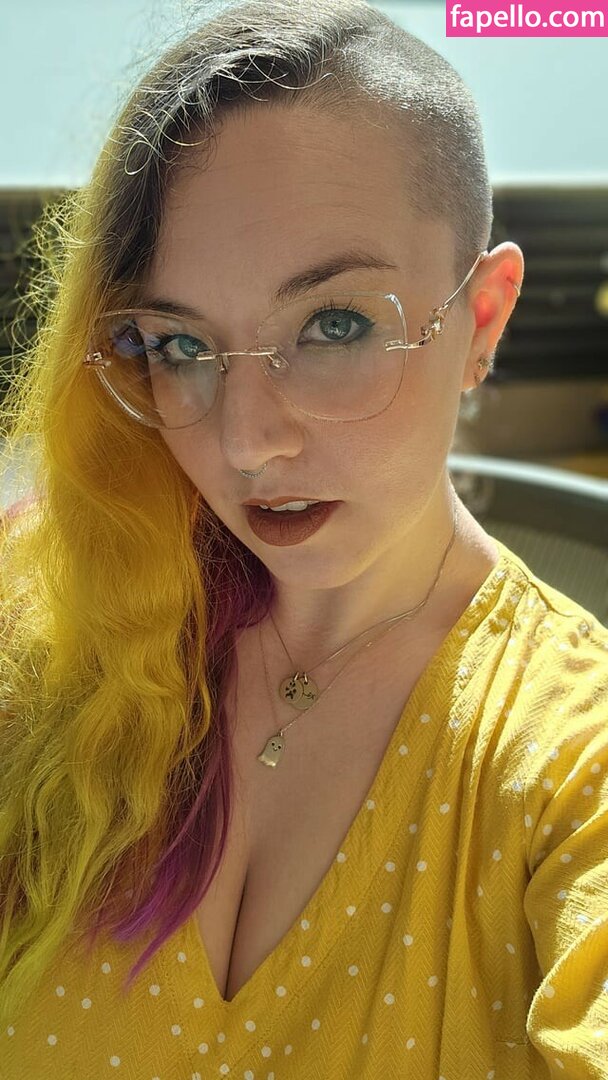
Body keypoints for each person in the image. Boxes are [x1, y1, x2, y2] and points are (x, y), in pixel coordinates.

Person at [0, 1, 606, 1077]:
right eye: (180, 344)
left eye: (334, 324)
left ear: (482, 319)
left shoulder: (573, 761)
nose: (245, 441)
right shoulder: (51, 620)